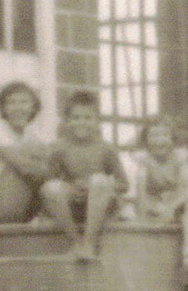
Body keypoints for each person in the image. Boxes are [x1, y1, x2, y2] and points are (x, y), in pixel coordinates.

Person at [40, 91, 127, 262]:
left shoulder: (106, 148)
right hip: (73, 205)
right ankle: (75, 243)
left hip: (100, 205)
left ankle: (89, 244)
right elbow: (49, 181)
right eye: (76, 117)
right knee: (51, 189)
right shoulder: (58, 147)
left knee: (99, 180)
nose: (82, 122)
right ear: (67, 121)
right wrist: (71, 188)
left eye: (88, 118)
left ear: (97, 121)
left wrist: (93, 187)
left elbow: (123, 184)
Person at [130, 116, 188, 291]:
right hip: (154, 206)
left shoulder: (180, 157)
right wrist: (158, 209)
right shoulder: (144, 161)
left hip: (178, 204)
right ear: (146, 140)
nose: (159, 140)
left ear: (172, 139)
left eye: (164, 135)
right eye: (154, 135)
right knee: (141, 189)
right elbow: (141, 197)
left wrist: (172, 207)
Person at [0, 81, 52, 223]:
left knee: (45, 170)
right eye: (12, 102)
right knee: (26, 168)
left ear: (33, 107)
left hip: (12, 194)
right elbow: (24, 167)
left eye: (24, 102)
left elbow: (48, 161)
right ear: (3, 108)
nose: (18, 107)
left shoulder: (32, 133)